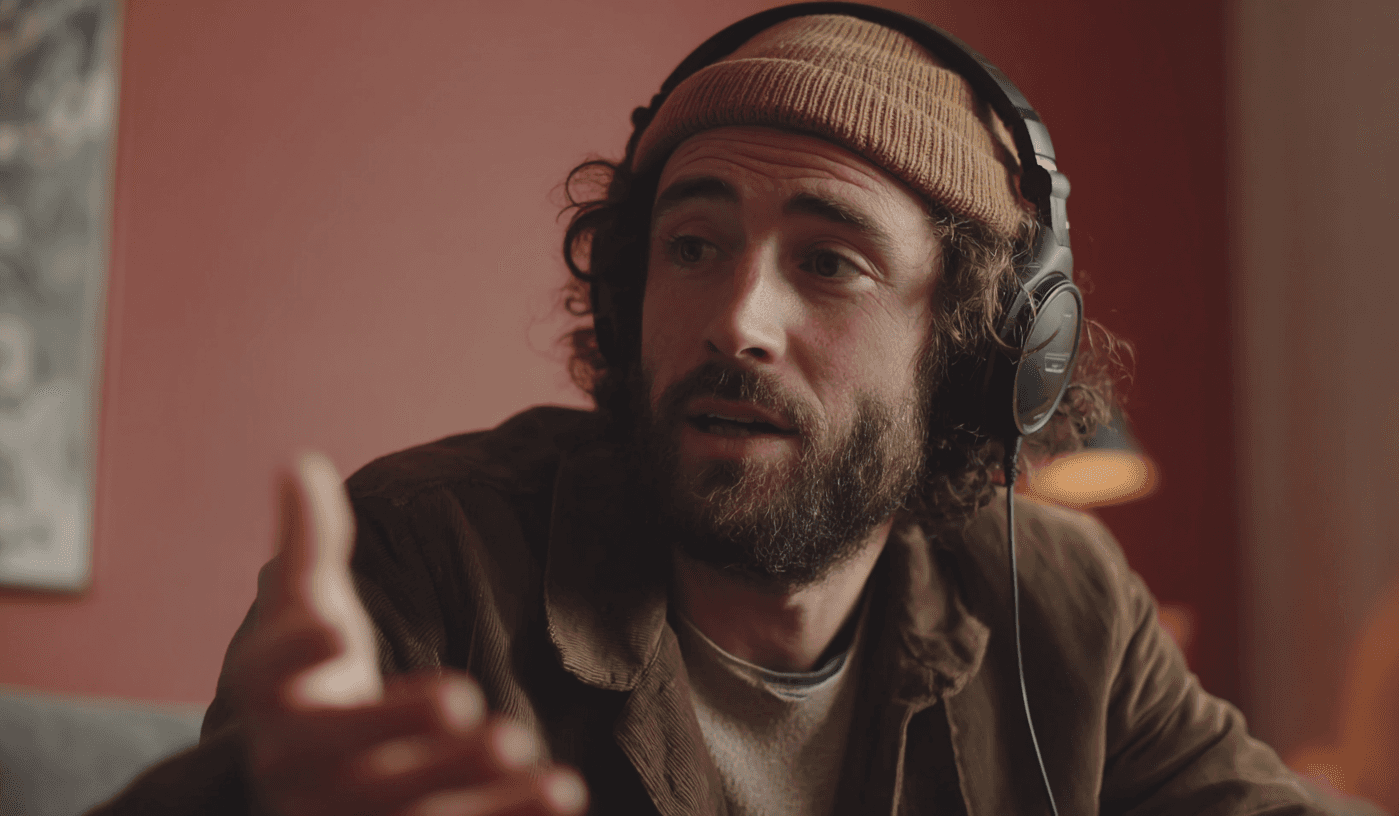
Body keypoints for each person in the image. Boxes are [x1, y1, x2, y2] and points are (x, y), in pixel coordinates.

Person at [93, 6, 1327, 816]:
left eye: (828, 262)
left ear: (967, 349)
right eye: (692, 246)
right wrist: (231, 800)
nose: (736, 319)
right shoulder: (429, 558)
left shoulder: (1061, 604)